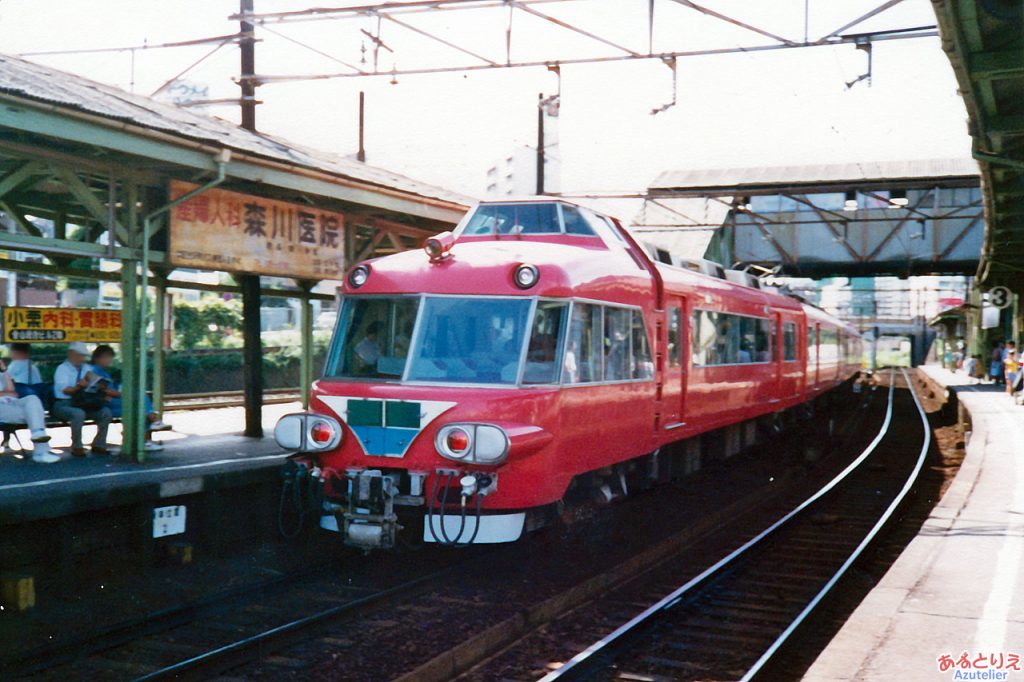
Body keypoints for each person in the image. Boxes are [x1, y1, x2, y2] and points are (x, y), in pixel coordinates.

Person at [90, 345, 169, 451]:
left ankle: (144, 436)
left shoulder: (104, 372)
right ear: (98, 358)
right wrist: (124, 395)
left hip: (111, 402)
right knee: (140, 402)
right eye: (106, 357)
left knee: (140, 403)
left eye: (110, 357)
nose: (109, 360)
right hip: (105, 403)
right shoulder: (94, 371)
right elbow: (105, 390)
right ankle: (151, 425)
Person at [52, 341, 112, 457]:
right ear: (70, 354)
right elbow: (65, 390)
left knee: (105, 412)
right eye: (78, 355)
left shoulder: (87, 368)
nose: (81, 358)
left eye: (82, 356)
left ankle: (99, 444)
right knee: (78, 414)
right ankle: (77, 446)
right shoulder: (62, 369)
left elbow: (93, 385)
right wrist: (79, 386)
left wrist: (98, 386)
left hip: (84, 402)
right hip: (64, 403)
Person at [0, 358, 58, 463]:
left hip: (11, 402)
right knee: (34, 413)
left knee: (32, 399)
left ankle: (38, 433)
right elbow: (9, 393)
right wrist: (6, 393)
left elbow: (13, 392)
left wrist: (4, 370)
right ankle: (41, 452)